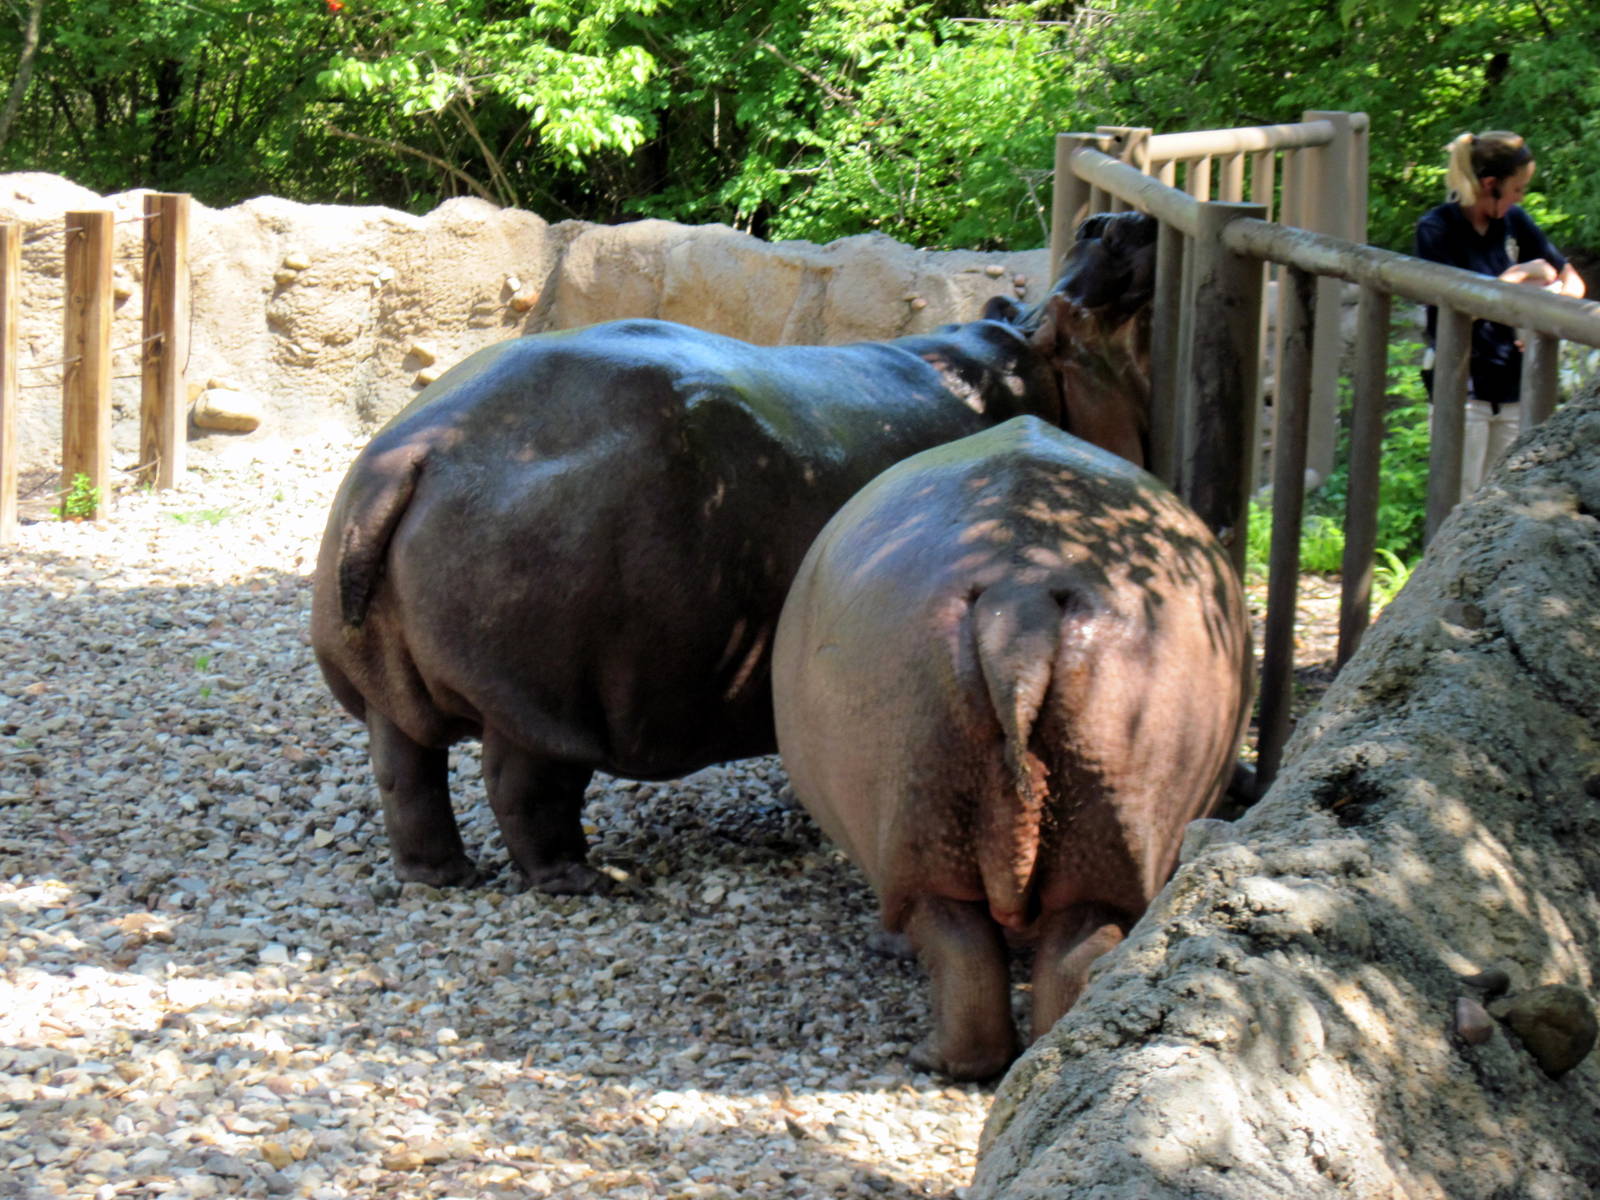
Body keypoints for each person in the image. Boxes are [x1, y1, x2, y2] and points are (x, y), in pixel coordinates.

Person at [1414, 130, 1585, 501]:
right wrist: (1517, 278)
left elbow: (1573, 283)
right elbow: (1451, 312)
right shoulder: (1436, 229)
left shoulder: (1514, 221)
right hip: (1462, 386)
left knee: (1504, 501)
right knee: (1457, 501)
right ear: (1490, 184)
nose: (1520, 197)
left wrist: (1542, 307)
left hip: (1514, 385)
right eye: (1518, 189)